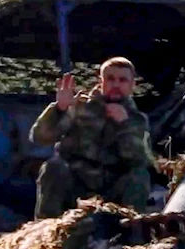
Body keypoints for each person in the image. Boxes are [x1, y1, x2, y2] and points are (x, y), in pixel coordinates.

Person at [29, 57, 154, 219]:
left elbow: (141, 160)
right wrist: (59, 109)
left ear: (132, 85)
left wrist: (125, 125)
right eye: (110, 79)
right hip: (75, 185)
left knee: (140, 177)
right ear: (100, 81)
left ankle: (130, 234)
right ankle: (44, 231)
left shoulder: (137, 120)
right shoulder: (79, 106)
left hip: (111, 190)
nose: (116, 85)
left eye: (122, 80)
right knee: (52, 167)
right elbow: (39, 137)